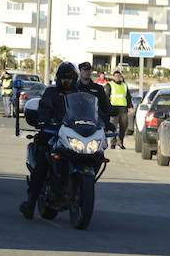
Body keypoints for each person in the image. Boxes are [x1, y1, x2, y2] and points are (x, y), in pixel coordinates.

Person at [19, 61, 85, 219]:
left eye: (69, 77)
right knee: (43, 163)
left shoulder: (81, 95)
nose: (66, 80)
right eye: (63, 77)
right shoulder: (51, 93)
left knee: (93, 154)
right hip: (52, 133)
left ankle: (81, 189)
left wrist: (103, 121)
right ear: (58, 78)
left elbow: (92, 111)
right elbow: (43, 108)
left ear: (75, 78)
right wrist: (44, 119)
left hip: (74, 135)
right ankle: (30, 202)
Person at [76, 62, 114, 146]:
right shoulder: (74, 87)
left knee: (100, 150)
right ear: (80, 71)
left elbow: (105, 107)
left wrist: (106, 122)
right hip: (76, 125)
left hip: (94, 125)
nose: (87, 72)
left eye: (89, 70)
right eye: (84, 70)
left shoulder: (98, 88)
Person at [108, 70, 133, 149]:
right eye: (115, 76)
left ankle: (120, 142)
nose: (117, 77)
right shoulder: (110, 85)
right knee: (113, 127)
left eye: (118, 76)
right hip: (114, 108)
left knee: (124, 126)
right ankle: (113, 143)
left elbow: (128, 97)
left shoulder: (124, 86)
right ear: (113, 77)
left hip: (123, 109)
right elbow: (106, 97)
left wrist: (131, 107)